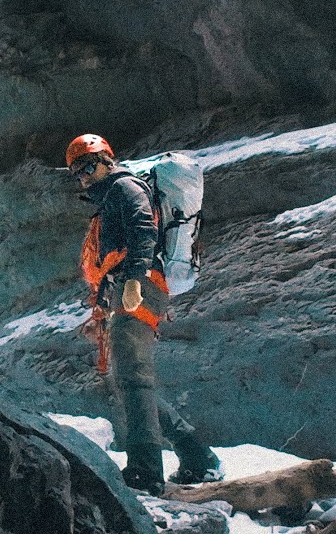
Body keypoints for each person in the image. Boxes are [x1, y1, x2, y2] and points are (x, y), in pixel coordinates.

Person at [67, 133, 223, 495]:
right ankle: (198, 458)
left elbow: (143, 230)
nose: (84, 176)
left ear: (107, 159)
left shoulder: (124, 187)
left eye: (88, 166)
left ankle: (144, 469)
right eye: (77, 172)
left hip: (141, 284)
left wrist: (135, 279)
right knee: (130, 381)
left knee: (133, 379)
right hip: (127, 288)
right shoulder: (108, 198)